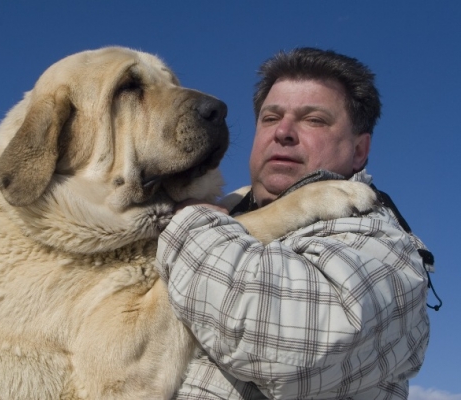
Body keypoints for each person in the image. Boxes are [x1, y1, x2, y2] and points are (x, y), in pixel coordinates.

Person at [156, 48, 433, 399]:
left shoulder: (384, 245)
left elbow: (290, 348)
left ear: (360, 150)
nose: (283, 132)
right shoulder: (222, 216)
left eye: (314, 119)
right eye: (270, 118)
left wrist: (187, 223)